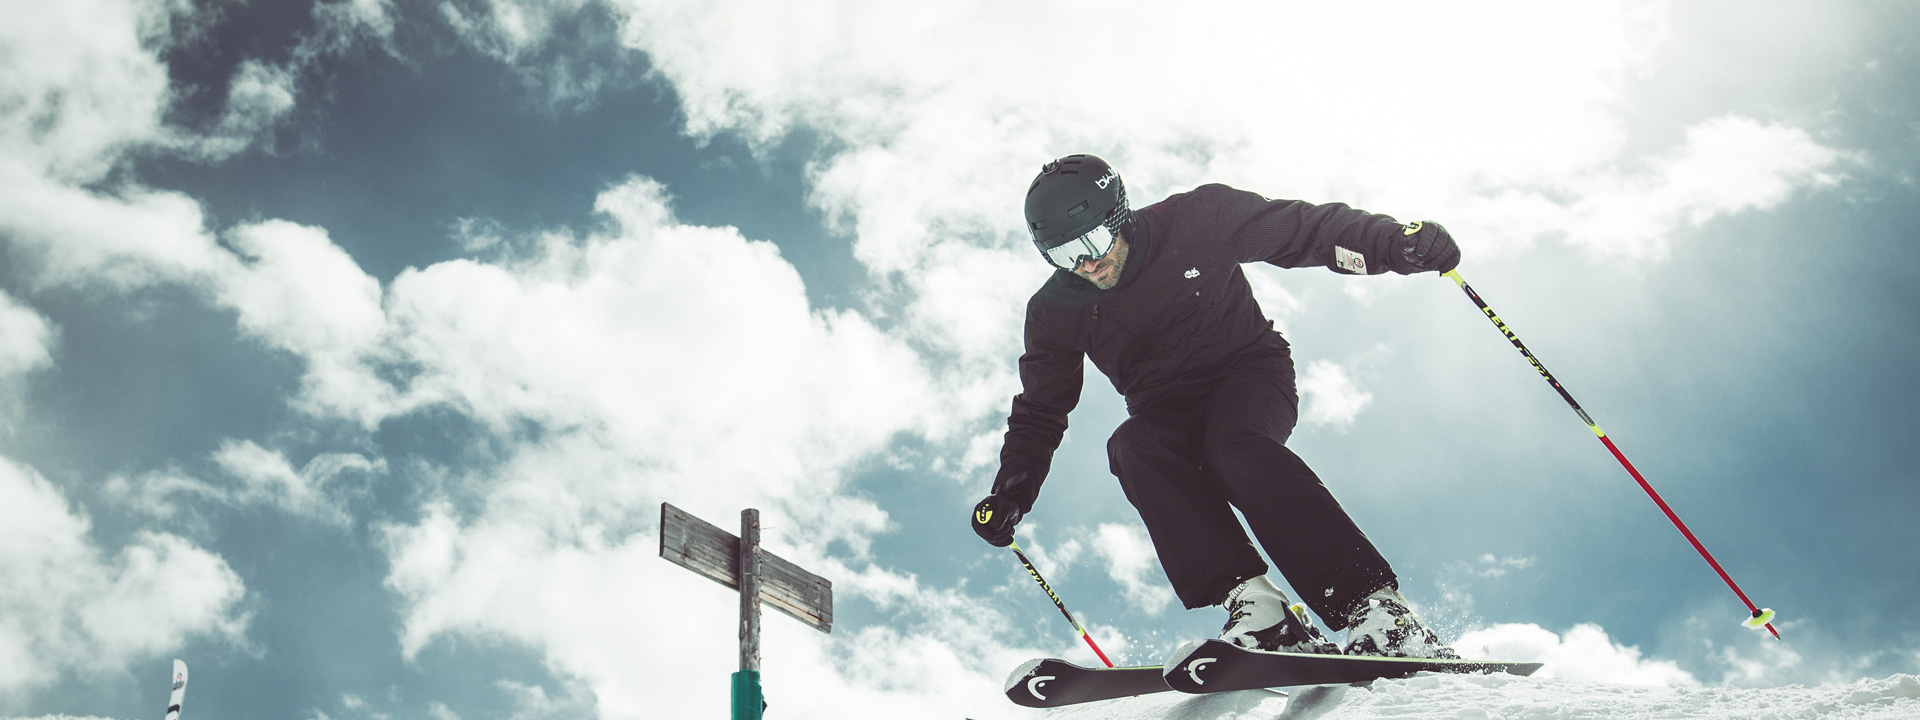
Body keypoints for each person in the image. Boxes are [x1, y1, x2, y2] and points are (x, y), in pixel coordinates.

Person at [970, 154, 1461, 658]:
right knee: (1133, 446)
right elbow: (1040, 411)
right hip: (1165, 409)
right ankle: (1260, 612)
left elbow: (1306, 231)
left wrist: (1396, 245)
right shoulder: (1056, 311)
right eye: (1064, 253)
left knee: (1235, 450)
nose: (1086, 263)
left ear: (1119, 215)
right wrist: (1012, 492)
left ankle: (1377, 610)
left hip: (1248, 372)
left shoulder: (1197, 219)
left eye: (1092, 242)